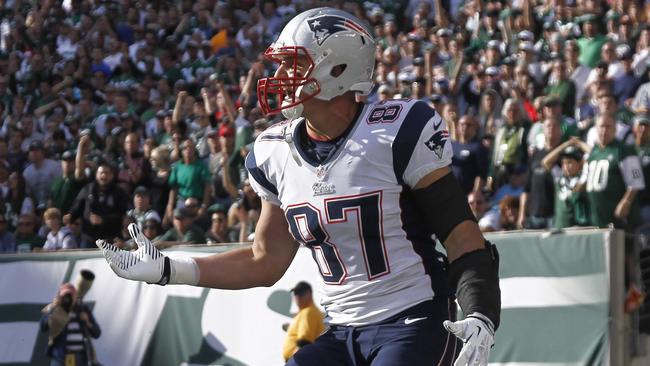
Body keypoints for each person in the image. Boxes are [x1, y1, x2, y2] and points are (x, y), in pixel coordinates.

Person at [96, 8, 500, 366]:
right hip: (341, 330)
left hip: (415, 317)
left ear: (337, 69)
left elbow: (461, 234)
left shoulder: (397, 130)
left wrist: (480, 313)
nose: (279, 78)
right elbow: (265, 260)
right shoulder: (274, 151)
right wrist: (171, 268)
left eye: (293, 66)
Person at [40, 283, 101, 366]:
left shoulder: (83, 309)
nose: (68, 299)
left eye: (70, 295)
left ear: (75, 296)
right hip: (60, 357)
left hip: (80, 358)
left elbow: (97, 333)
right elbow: (43, 327)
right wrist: (52, 309)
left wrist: (88, 322)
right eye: (65, 296)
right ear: (60, 297)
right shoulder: (56, 308)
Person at [282, 281, 326, 362]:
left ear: (309, 294)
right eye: (295, 293)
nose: (297, 296)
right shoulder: (306, 312)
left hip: (301, 360)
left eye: (300, 293)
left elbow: (305, 341)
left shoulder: (308, 312)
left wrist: (294, 361)